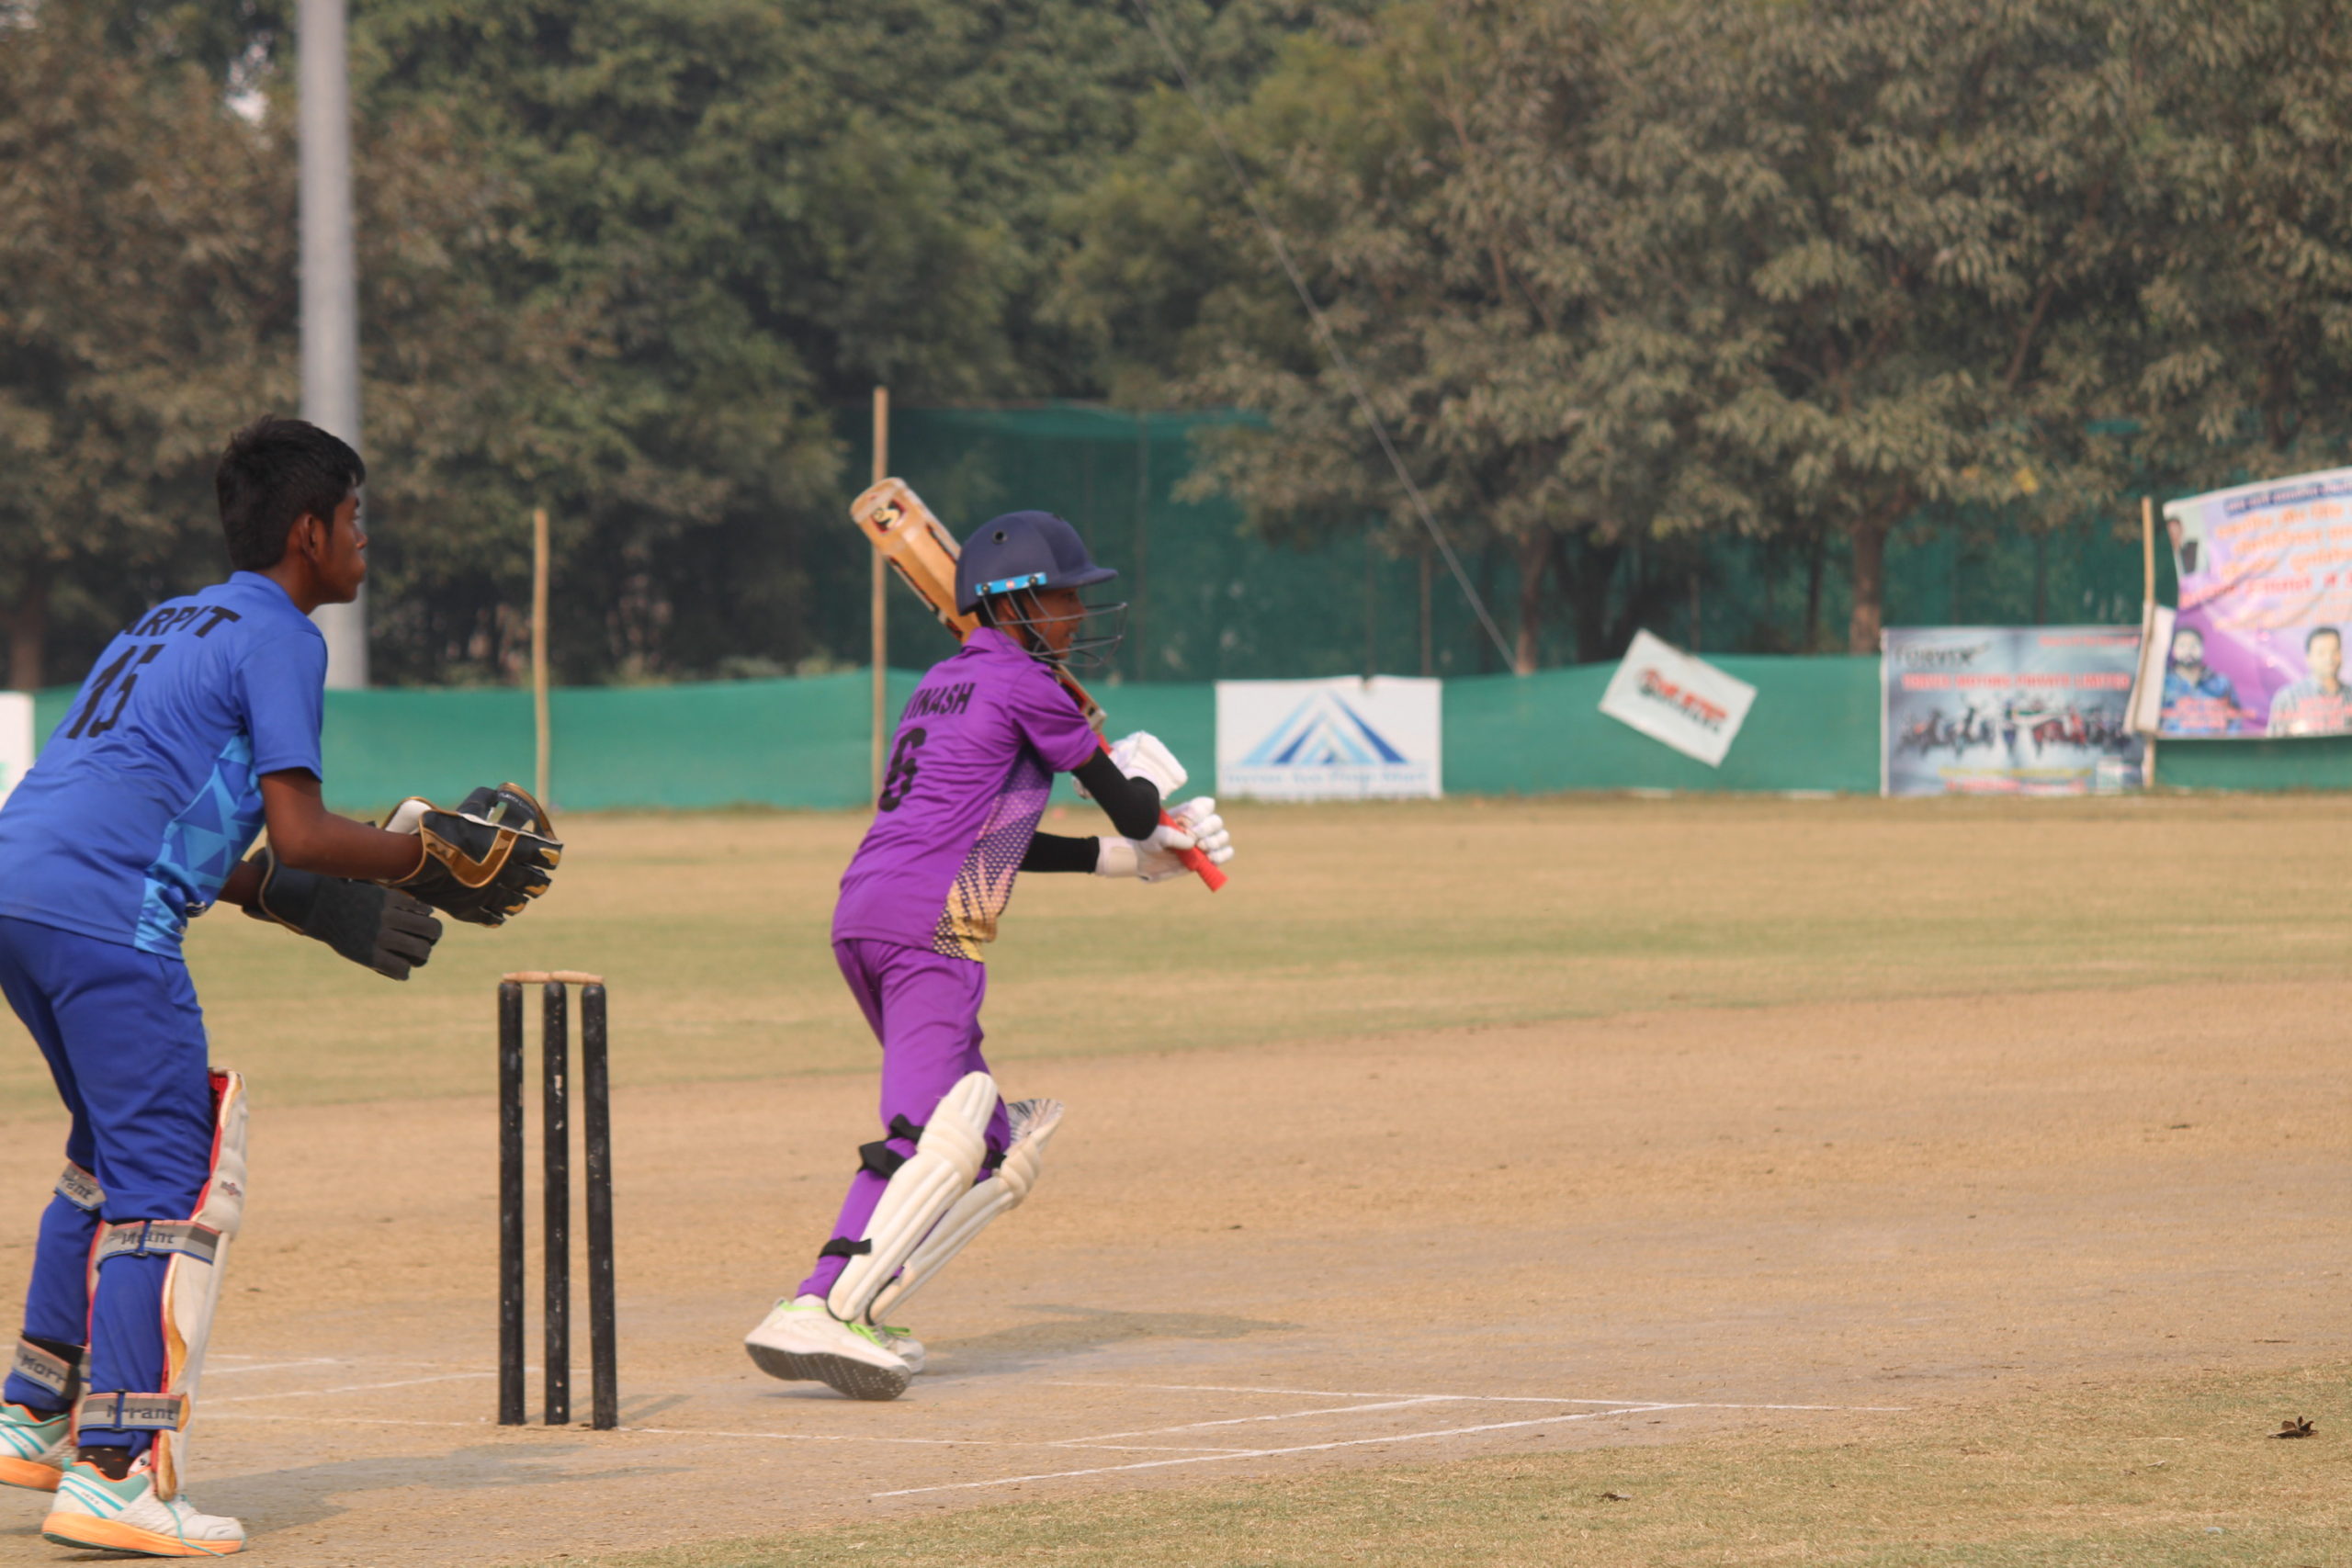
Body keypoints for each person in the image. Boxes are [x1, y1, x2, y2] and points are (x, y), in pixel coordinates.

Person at [0, 417, 560, 1557]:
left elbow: (137, 804)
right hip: (109, 920)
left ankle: (34, 1412)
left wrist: (279, 895)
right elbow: (302, 828)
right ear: (308, 531)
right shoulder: (281, 638)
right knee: (178, 1177)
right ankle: (118, 1474)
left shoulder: (160, 621)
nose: (365, 539)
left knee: (108, 1153)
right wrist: (429, 859)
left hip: (18, 891)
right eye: (355, 518)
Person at [744, 511, 1235, 1402]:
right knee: (927, 1130)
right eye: (1062, 598)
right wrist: (1160, 812)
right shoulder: (1030, 687)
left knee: (996, 1145)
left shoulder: (941, 683)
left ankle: (869, 1304)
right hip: (935, 927)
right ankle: (819, 1303)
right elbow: (1122, 805)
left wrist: (1136, 860)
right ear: (1013, 603)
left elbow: (1005, 837)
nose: (1077, 617)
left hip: (868, 910)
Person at [2265, 626, 2352, 737]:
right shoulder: (2287, 699)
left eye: (2335, 651)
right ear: (2308, 658)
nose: (2330, 658)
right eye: (2321, 653)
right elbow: (2273, 747)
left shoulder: (2350, 696)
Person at [2159, 626, 2241, 736]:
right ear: (2173, 650)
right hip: (2172, 749)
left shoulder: (2221, 684)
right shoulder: (2162, 684)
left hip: (2213, 749)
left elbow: (2235, 717)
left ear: (2203, 648)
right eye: (2182, 645)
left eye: (2194, 645)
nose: (2188, 650)